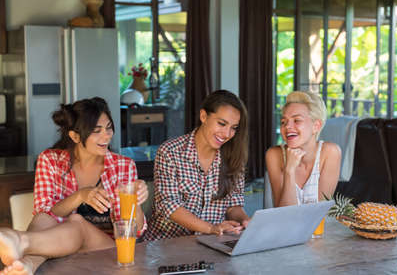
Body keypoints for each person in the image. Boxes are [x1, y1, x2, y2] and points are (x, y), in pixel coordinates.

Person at [0, 97, 148, 275]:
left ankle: (21, 241)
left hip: (109, 250)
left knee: (77, 222)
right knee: (42, 218)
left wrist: (136, 202)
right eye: (97, 131)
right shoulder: (51, 160)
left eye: (109, 128)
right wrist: (80, 196)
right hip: (64, 245)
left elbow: (136, 231)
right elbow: (45, 211)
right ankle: (28, 265)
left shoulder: (123, 165)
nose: (107, 135)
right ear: (75, 136)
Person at [145, 90, 251, 241]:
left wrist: (246, 221)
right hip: (167, 245)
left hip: (212, 244)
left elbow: (234, 205)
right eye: (222, 123)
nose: (227, 134)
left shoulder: (234, 157)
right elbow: (169, 205)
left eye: (234, 128)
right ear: (203, 116)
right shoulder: (170, 152)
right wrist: (211, 228)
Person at [265, 91, 341, 207]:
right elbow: (284, 214)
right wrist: (289, 170)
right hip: (286, 225)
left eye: (297, 120)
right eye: (283, 122)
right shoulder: (274, 155)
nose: (287, 127)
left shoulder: (330, 153)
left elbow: (320, 212)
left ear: (316, 126)